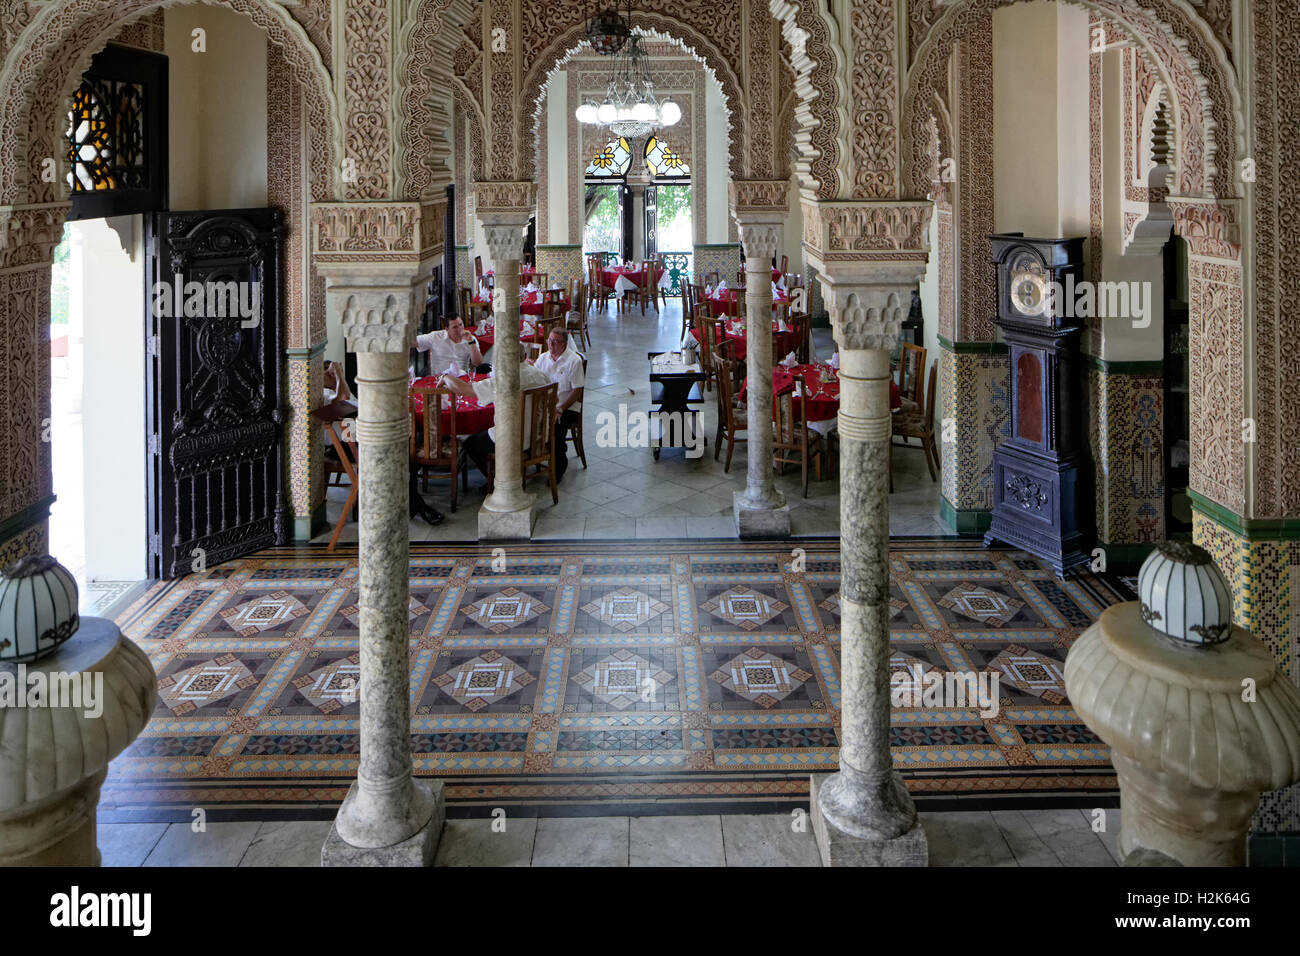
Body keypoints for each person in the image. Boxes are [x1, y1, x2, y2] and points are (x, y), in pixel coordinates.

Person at [442, 361, 550, 487]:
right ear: (524, 356)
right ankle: (503, 473)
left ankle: (496, 482)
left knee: (470, 443)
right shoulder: (539, 374)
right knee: (487, 429)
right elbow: (554, 400)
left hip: (513, 441)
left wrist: (446, 377)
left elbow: (464, 390)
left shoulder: (505, 379)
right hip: (541, 436)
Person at [532, 329, 584, 480]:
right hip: (545, 406)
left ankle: (558, 468)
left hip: (567, 406)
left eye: (555, 342)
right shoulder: (543, 359)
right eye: (549, 340)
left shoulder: (574, 361)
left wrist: (560, 409)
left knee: (556, 425)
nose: (551, 345)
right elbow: (534, 378)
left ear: (564, 344)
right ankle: (535, 456)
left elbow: (577, 392)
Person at [416, 315, 486, 375]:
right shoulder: (436, 337)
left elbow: (478, 363)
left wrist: (471, 342)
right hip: (440, 380)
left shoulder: (471, 339)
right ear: (447, 329)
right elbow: (413, 341)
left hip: (461, 380)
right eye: (455, 327)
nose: (460, 329)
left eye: (461, 324)